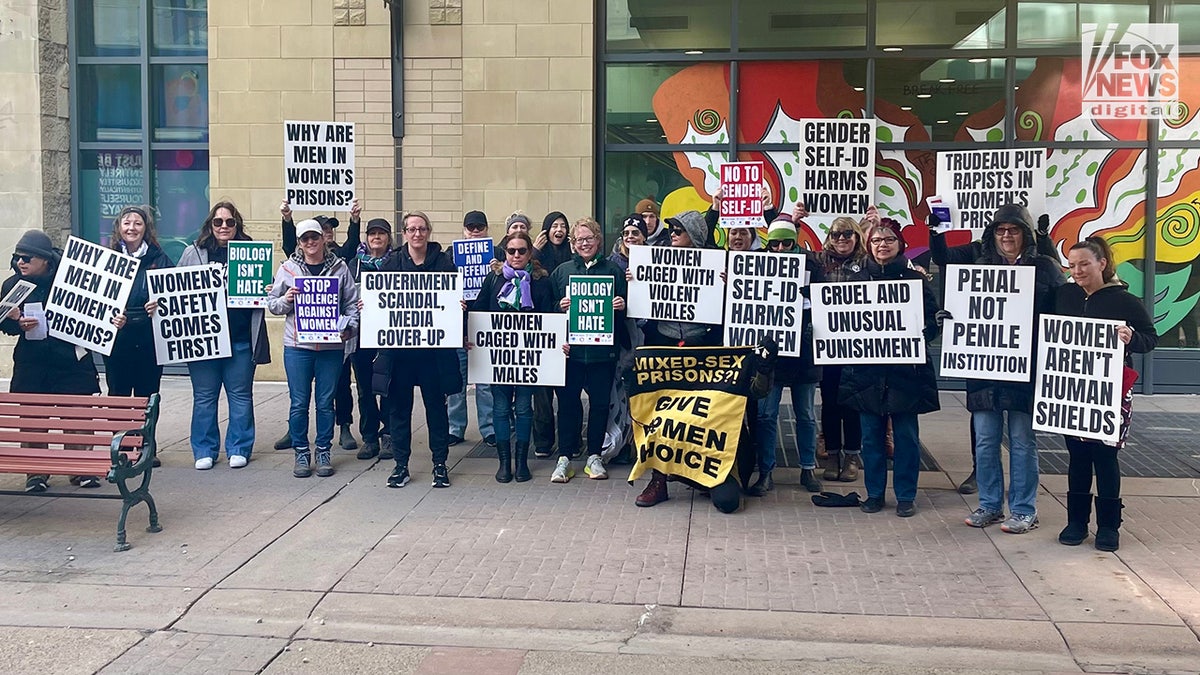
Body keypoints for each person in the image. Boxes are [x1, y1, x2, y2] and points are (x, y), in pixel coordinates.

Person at [932, 204, 1066, 534]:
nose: (1006, 236)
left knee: (1022, 441)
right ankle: (990, 505)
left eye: (1014, 229)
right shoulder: (977, 265)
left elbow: (1064, 310)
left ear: (1027, 234)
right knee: (986, 441)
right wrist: (950, 317)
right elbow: (944, 259)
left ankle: (1023, 509)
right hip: (984, 370)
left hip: (1024, 370)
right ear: (993, 234)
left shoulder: (1045, 267)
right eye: (1000, 230)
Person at [1055, 236, 1157, 551]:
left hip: (1110, 389)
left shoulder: (1125, 301)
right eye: (1072, 265)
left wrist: (1132, 337)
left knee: (1106, 457)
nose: (1078, 271)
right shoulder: (1064, 295)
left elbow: (1150, 338)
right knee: (1077, 456)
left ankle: (1109, 527)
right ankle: (1076, 522)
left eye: (1084, 263)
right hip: (1072, 388)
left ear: (1102, 263)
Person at [839, 219, 940, 517]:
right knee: (870, 436)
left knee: (907, 436)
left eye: (889, 240)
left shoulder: (916, 281)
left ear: (899, 245)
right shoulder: (855, 282)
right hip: (866, 372)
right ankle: (874, 494)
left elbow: (931, 319)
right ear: (868, 246)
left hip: (905, 372)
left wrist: (928, 331)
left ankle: (906, 495)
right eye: (876, 240)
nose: (882, 244)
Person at [2, 230, 102, 491]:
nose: (20, 262)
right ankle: (36, 473)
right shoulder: (13, 285)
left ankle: (81, 469)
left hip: (71, 361)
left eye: (26, 258)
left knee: (78, 418)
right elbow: (2, 324)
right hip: (32, 363)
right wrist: (16, 322)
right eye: (16, 257)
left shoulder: (71, 280)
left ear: (45, 260)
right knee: (33, 420)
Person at [634, 336, 777, 513]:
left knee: (727, 502)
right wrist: (630, 378)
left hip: (720, 458)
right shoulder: (673, 378)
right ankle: (659, 481)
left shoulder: (733, 367)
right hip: (686, 452)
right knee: (662, 423)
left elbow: (757, 391)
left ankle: (705, 481)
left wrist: (764, 369)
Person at [179, 202, 271, 470]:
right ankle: (204, 449)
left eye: (229, 222)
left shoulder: (251, 253)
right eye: (218, 222)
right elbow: (176, 291)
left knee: (240, 396)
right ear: (210, 225)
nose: (223, 227)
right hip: (203, 342)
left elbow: (269, 292)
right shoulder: (192, 253)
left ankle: (239, 447)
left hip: (240, 338)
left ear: (237, 225)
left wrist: (268, 287)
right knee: (205, 397)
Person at [374, 211, 462, 489]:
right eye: (411, 229)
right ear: (404, 233)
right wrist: (371, 307)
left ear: (428, 232)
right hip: (400, 355)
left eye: (422, 229)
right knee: (399, 410)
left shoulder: (445, 263)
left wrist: (458, 310)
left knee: (436, 410)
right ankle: (401, 465)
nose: (417, 234)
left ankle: (440, 464)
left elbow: (453, 302)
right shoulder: (392, 263)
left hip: (433, 355)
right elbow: (381, 300)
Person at [268, 219, 360, 478]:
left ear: (323, 239)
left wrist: (348, 325)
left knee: (324, 403)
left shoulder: (340, 268)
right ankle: (300, 452)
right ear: (298, 243)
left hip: (331, 347)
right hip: (298, 347)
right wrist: (286, 300)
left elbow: (351, 304)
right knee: (299, 403)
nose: (310, 243)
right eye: (305, 239)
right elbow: (272, 304)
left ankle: (323, 450)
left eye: (314, 237)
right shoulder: (287, 268)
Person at [469, 231, 555, 482]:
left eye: (521, 251)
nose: (516, 255)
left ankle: (522, 461)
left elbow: (550, 318)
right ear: (505, 253)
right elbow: (480, 310)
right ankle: (504, 462)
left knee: (524, 409)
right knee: (500, 407)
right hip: (499, 358)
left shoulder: (541, 281)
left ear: (530, 253)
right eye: (511, 251)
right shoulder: (493, 279)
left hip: (529, 358)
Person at [549, 217, 628, 483]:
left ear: (599, 240)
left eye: (589, 238)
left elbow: (631, 307)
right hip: (571, 353)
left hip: (601, 353)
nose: (584, 243)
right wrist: (559, 306)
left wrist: (621, 304)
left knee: (600, 405)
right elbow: (548, 310)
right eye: (579, 240)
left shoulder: (614, 271)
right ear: (572, 244)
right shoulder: (561, 272)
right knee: (568, 405)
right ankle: (565, 457)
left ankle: (594, 455)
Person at [750, 215, 823, 494]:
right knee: (767, 416)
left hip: (804, 351)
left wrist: (810, 296)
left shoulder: (812, 264)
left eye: (786, 243)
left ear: (795, 242)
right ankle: (766, 471)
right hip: (772, 353)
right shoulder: (757, 261)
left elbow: (828, 302)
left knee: (805, 414)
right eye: (775, 243)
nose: (780, 249)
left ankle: (808, 468)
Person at [807, 212, 866, 483]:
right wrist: (788, 219)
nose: (841, 239)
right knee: (829, 401)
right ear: (828, 238)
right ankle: (832, 454)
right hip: (827, 343)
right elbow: (785, 257)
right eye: (835, 235)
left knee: (852, 400)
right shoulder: (819, 261)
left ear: (857, 237)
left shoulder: (867, 262)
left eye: (847, 234)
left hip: (857, 344)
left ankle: (852, 455)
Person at [106, 207, 173, 398]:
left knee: (148, 396)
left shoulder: (160, 258)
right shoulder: (107, 258)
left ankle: (144, 429)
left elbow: (174, 296)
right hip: (118, 340)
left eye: (137, 223)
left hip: (149, 340)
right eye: (126, 223)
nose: (131, 228)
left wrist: (159, 304)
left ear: (146, 228)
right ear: (118, 227)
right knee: (118, 395)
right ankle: (119, 430)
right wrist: (111, 316)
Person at [448, 210, 495, 448]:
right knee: (457, 382)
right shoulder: (450, 256)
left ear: (487, 229)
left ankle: (489, 429)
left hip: (484, 329)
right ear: (464, 230)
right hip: (457, 328)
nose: (475, 231)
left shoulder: (496, 257)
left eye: (480, 227)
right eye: (471, 228)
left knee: (485, 383)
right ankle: (455, 429)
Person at [640, 210, 722, 348]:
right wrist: (636, 277)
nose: (672, 234)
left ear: (692, 234)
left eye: (678, 231)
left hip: (699, 339)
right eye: (671, 230)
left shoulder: (714, 263)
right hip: (663, 337)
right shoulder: (658, 258)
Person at [348, 218, 394, 461]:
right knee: (365, 389)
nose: (376, 237)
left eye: (381, 233)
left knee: (387, 387)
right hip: (361, 335)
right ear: (366, 237)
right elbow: (343, 295)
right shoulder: (354, 264)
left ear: (388, 238)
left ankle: (388, 435)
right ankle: (369, 437)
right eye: (372, 233)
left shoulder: (396, 262)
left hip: (388, 335)